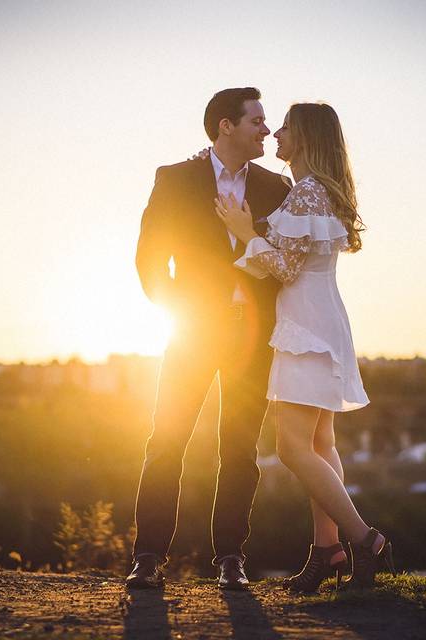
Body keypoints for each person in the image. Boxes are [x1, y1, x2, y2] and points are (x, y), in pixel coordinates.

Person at [214, 102, 392, 590]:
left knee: (292, 448)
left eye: (287, 127)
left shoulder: (308, 193)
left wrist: (246, 232)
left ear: (307, 137)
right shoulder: (317, 191)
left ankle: (365, 540)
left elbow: (287, 270)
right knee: (320, 443)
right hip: (322, 319)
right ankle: (327, 551)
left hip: (305, 327)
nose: (277, 133)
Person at [128, 87, 291, 590]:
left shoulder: (276, 187)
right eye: (257, 120)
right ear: (226, 126)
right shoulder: (175, 179)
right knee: (166, 441)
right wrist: (179, 310)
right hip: (192, 333)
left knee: (239, 450)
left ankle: (231, 560)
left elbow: (285, 265)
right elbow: (148, 258)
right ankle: (149, 557)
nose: (267, 129)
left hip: (252, 337)